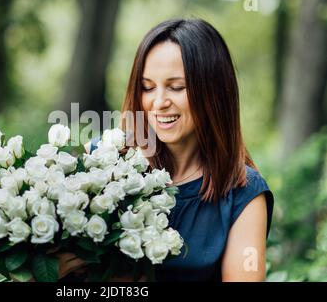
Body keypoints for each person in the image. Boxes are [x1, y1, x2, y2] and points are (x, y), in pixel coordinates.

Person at [65, 18, 274, 282]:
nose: (159, 102)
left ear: (213, 90)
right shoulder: (100, 159)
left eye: (177, 87)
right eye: (147, 87)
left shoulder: (244, 193)